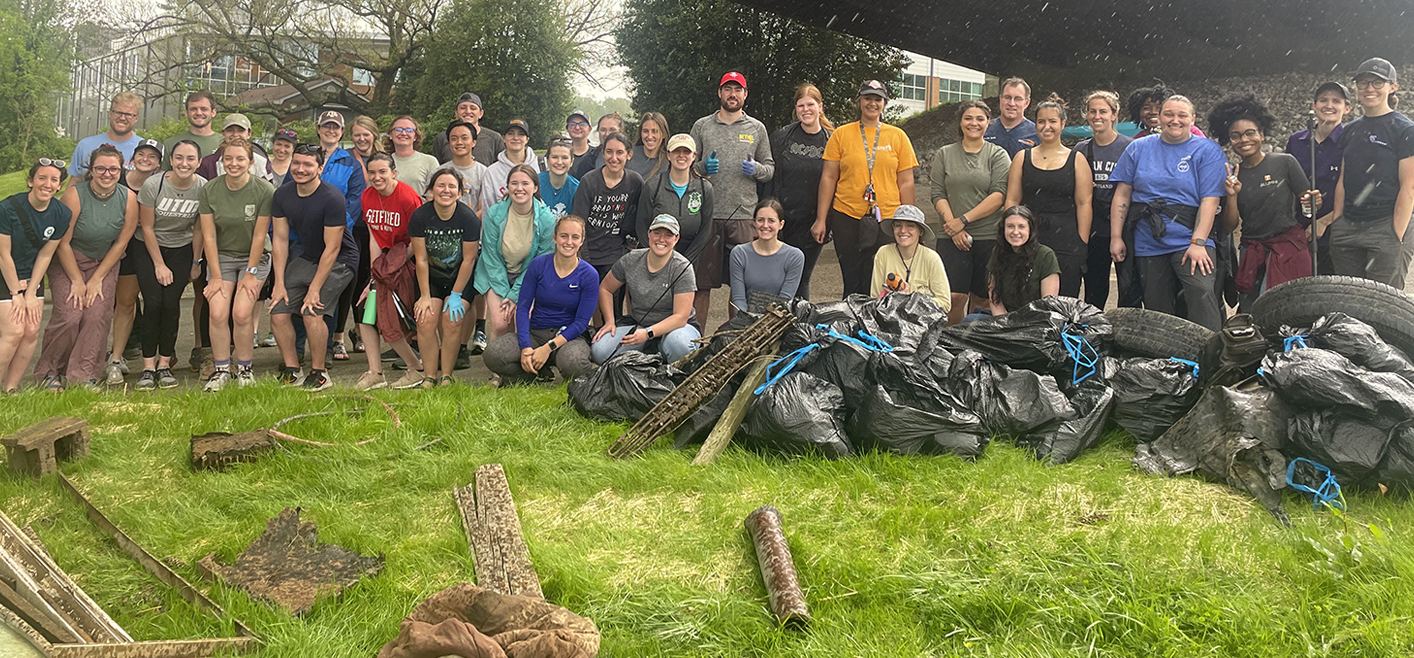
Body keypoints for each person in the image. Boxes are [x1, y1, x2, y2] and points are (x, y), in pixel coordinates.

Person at [1109, 95, 1226, 330]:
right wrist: (1116, 237)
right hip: (1147, 239)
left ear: (1192, 119)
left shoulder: (1207, 150)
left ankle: (1212, 355)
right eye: (1169, 114)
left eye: (1182, 115)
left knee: (1201, 292)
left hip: (1189, 237)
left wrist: (1198, 242)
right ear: (1160, 118)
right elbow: (1122, 194)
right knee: (1157, 308)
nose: (1175, 120)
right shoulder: (1138, 148)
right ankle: (1165, 362)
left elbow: (1210, 200)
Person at [35, 145, 139, 391]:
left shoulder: (129, 199)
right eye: (100, 168)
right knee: (71, 315)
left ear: (121, 170)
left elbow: (122, 241)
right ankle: (50, 372)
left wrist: (96, 279)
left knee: (96, 316)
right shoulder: (74, 195)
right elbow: (63, 241)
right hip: (69, 260)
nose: (107, 173)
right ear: (91, 170)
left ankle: (84, 375)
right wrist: (78, 281)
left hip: (103, 263)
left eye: (113, 169)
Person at [1209, 94, 1318, 309]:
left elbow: (1309, 207)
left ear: (1262, 134)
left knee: (1289, 307)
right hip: (1252, 250)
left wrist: (1314, 202)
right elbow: (1230, 226)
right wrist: (1231, 196)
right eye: (1236, 136)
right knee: (1253, 310)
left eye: (1250, 133)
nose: (1244, 140)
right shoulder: (1232, 176)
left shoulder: (1285, 162)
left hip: (1288, 248)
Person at [814, 79, 918, 296]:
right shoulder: (841, 134)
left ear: (884, 103)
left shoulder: (898, 136)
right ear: (859, 101)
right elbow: (828, 177)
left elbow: (906, 182)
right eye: (868, 98)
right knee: (852, 280)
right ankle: (851, 326)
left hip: (887, 219)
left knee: (882, 282)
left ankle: (876, 326)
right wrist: (821, 219)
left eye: (877, 99)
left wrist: (910, 222)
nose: (872, 103)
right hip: (847, 216)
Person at [268, 144, 359, 391]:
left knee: (311, 310)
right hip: (308, 257)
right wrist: (278, 283)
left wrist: (315, 289)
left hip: (341, 259)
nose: (300, 169)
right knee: (277, 309)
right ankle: (293, 370)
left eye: (308, 164)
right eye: (296, 163)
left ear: (320, 168)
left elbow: (332, 248)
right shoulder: (282, 195)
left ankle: (320, 373)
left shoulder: (332, 198)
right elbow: (280, 239)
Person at [691, 71, 775, 314]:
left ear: (745, 95)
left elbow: (770, 169)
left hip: (744, 215)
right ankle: (697, 341)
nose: (732, 94)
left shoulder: (757, 128)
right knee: (700, 285)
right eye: (727, 89)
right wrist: (702, 168)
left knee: (741, 285)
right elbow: (686, 166)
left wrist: (756, 169)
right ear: (719, 93)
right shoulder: (702, 126)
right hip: (707, 215)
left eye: (738, 89)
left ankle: (733, 342)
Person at [482, 214, 599, 385]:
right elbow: (522, 308)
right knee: (493, 354)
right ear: (555, 238)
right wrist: (525, 347)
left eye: (575, 237)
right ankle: (531, 373)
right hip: (536, 332)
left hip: (569, 337)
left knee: (575, 365)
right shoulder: (539, 265)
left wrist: (548, 348)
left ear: (581, 241)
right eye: (564, 236)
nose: (569, 242)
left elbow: (581, 322)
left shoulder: (589, 275)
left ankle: (552, 367)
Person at [1329, 57, 1414, 288]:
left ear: (1392, 87)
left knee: (1384, 303)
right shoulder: (1351, 129)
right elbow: (1344, 179)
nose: (1369, 89)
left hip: (1385, 225)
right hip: (1348, 226)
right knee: (1349, 299)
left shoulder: (1404, 129)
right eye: (1364, 82)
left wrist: (1397, 234)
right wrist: (1338, 220)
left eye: (1377, 83)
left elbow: (1409, 186)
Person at [197, 138, 275, 391]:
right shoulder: (210, 190)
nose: (234, 163)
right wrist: (216, 277)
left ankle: (245, 369)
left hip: (255, 257)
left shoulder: (264, 190)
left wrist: (251, 274)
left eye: (240, 159)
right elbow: (208, 236)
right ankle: (221, 370)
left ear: (250, 163)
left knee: (241, 313)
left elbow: (259, 236)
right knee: (218, 312)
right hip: (222, 257)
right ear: (222, 162)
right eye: (228, 159)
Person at [131, 140, 206, 390]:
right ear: (171, 160)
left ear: (199, 162)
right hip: (149, 247)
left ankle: (165, 364)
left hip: (182, 249)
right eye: (179, 158)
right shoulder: (155, 185)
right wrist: (159, 265)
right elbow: (148, 227)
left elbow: (198, 228)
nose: (184, 163)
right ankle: (148, 367)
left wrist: (196, 262)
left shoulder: (202, 188)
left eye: (190, 158)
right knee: (152, 303)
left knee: (171, 304)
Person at [1005, 94, 1093, 297]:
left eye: (1052, 121)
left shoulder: (1076, 159)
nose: (1047, 126)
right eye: (1041, 121)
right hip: (1028, 237)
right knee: (1025, 295)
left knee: (1063, 299)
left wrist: (1082, 243)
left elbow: (1084, 203)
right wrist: (1012, 235)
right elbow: (1012, 200)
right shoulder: (1022, 157)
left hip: (1066, 239)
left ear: (1062, 124)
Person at [931, 100, 1010, 324]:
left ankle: (973, 345)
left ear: (988, 123)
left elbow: (998, 195)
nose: (973, 123)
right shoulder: (944, 154)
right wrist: (953, 227)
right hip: (950, 236)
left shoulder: (998, 155)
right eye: (968, 118)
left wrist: (963, 220)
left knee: (983, 299)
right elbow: (938, 193)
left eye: (979, 119)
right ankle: (951, 344)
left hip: (988, 236)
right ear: (960, 122)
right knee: (953, 297)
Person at [355, 153, 425, 390]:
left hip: (406, 258)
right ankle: (376, 372)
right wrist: (375, 275)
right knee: (365, 314)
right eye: (372, 172)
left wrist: (392, 268)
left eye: (382, 172)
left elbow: (418, 240)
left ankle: (415, 368)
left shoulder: (407, 198)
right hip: (384, 262)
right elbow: (374, 236)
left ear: (394, 172)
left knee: (388, 321)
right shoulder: (367, 196)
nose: (377, 177)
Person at [0, 159, 71, 393]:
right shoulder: (7, 208)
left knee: (31, 330)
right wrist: (16, 293)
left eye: (54, 180)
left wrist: (31, 292)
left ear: (59, 185)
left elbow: (45, 254)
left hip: (32, 276)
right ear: (31, 181)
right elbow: (3, 254)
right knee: (14, 331)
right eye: (42, 178)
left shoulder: (62, 213)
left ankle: (11, 388)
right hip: (5, 272)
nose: (47, 184)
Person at [591, 215, 700, 364]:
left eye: (668, 235)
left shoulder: (682, 267)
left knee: (679, 345)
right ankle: (647, 356)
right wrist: (609, 321)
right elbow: (605, 288)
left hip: (677, 329)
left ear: (676, 239)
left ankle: (672, 374)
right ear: (649, 234)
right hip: (640, 326)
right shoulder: (630, 259)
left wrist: (648, 333)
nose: (661, 239)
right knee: (600, 352)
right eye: (657, 233)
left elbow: (681, 317)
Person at [409, 168, 481, 387]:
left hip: (460, 277)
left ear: (460, 192)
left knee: (451, 319)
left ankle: (447, 375)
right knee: (425, 320)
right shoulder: (420, 216)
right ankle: (430, 375)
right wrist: (424, 295)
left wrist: (456, 294)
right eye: (440, 185)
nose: (446, 191)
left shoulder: (468, 218)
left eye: (452, 187)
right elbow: (420, 259)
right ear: (431, 190)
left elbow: (469, 260)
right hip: (430, 277)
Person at [104, 137, 164, 385]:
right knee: (123, 303)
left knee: (156, 302)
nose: (145, 160)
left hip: (148, 248)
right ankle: (115, 358)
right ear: (133, 158)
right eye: (141, 154)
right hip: (118, 248)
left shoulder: (161, 185)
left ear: (159, 164)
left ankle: (161, 359)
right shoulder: (117, 180)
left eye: (152, 156)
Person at [475, 165, 555, 348]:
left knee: (523, 320)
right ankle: (497, 371)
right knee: (500, 322)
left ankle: (520, 367)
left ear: (535, 188)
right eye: (514, 183)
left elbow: (538, 263)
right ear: (508, 187)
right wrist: (506, 295)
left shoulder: (546, 219)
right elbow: (490, 256)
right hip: (496, 273)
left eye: (525, 183)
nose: (519, 188)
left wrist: (514, 294)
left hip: (528, 276)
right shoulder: (495, 214)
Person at [766, 84, 834, 300]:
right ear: (796, 108)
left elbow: (836, 183)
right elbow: (770, 177)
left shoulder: (832, 140)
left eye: (810, 105)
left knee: (801, 277)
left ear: (820, 107)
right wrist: (769, 217)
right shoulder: (781, 137)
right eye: (801, 105)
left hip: (813, 223)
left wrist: (824, 221)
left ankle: (800, 326)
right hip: (782, 221)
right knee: (777, 277)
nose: (806, 110)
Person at [636, 133, 714, 319]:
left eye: (686, 152)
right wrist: (659, 258)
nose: (681, 156)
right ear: (668, 155)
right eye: (676, 151)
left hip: (691, 256)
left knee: (685, 308)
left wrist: (684, 264)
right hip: (657, 255)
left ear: (694, 156)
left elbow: (705, 230)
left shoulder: (704, 188)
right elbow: (641, 227)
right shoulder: (653, 186)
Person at [1074, 90, 1137, 309]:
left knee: (1129, 291)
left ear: (1114, 114)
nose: (1097, 116)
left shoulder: (1130, 147)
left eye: (1103, 111)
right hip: (1094, 229)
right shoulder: (1081, 150)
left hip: (1126, 227)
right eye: (1093, 111)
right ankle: (1095, 335)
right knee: (1094, 291)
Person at [572, 131, 643, 314]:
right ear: (603, 153)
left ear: (629, 154)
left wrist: (631, 244)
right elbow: (578, 224)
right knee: (582, 308)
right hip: (588, 252)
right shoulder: (589, 181)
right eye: (609, 152)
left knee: (613, 312)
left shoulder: (635, 182)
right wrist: (584, 261)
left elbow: (638, 218)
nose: (614, 158)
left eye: (619, 152)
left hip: (615, 255)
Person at [315, 110, 367, 362]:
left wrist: (333, 230)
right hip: (306, 235)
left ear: (341, 131)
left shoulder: (350, 163)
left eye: (335, 127)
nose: (331, 130)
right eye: (326, 126)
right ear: (318, 129)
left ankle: (333, 341)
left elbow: (354, 202)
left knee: (336, 289)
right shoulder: (307, 156)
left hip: (340, 235)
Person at [1285, 81, 1352, 275]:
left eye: (1336, 101)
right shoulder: (1295, 141)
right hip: (1300, 232)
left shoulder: (1352, 140)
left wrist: (1323, 222)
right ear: (1314, 106)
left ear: (1347, 108)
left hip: (1338, 232)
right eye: (1323, 100)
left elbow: (1358, 190)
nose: (1329, 105)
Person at [985, 205, 1061, 318]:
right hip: (1004, 320)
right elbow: (994, 297)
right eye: (1010, 226)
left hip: (1036, 321)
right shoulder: (998, 252)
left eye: (1021, 227)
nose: (1015, 232)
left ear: (1030, 230)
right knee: (968, 323)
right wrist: (1003, 323)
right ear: (1003, 229)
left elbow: (1047, 304)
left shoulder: (1045, 255)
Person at [870, 204, 950, 309]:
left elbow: (945, 303)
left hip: (922, 322)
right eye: (898, 225)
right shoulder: (883, 253)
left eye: (910, 226)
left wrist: (911, 300)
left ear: (920, 231)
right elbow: (875, 298)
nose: (903, 230)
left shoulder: (932, 258)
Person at [730, 199, 804, 311]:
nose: (765, 225)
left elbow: (785, 300)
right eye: (760, 220)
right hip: (746, 320)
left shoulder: (794, 256)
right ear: (754, 223)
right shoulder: (739, 253)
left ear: (781, 224)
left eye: (771, 221)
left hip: (778, 320)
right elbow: (739, 299)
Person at [70, 91, 144, 178]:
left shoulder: (144, 149)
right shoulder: (85, 146)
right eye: (118, 112)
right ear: (110, 114)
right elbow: (74, 184)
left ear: (136, 118)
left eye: (128, 114)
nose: (122, 118)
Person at [432, 92, 504, 166]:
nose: (468, 111)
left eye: (473, 108)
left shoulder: (494, 139)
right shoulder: (442, 138)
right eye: (463, 108)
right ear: (456, 113)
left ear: (481, 114)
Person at [481, 119, 540, 207]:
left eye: (521, 134)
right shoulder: (492, 172)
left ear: (527, 139)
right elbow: (488, 207)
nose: (515, 138)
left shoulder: (539, 165)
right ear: (504, 138)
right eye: (511, 133)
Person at [196, 114, 273, 182]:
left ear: (249, 133)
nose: (235, 135)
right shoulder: (208, 163)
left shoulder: (261, 161)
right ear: (223, 133)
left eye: (240, 130)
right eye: (230, 130)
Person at [162, 91, 223, 170]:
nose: (199, 113)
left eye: (204, 109)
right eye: (193, 109)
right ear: (186, 113)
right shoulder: (170, 144)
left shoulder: (224, 143)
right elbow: (163, 178)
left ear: (213, 112)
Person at [984, 78, 1038, 158]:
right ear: (1000, 99)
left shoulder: (1036, 133)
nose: (1012, 103)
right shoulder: (985, 129)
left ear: (1027, 103)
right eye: (1007, 97)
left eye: (1018, 99)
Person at [1128, 84, 1206, 138]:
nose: (1153, 112)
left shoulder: (1191, 132)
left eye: (1159, 108)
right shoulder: (1136, 142)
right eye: (1146, 108)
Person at [387, 116, 439, 196]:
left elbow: (435, 193)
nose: (403, 133)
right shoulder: (383, 162)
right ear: (390, 135)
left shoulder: (429, 161)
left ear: (415, 137)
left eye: (409, 130)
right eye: (398, 129)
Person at [443, 120, 487, 214]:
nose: (459, 142)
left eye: (464, 138)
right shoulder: (439, 172)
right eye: (454, 139)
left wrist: (469, 223)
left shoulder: (484, 172)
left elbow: (483, 208)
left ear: (474, 142)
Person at [570, 112, 626, 180]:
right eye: (603, 130)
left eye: (612, 130)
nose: (607, 134)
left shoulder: (632, 157)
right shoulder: (589, 159)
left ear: (621, 131)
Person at [538, 137, 579, 219]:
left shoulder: (577, 188)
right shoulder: (535, 182)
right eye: (554, 157)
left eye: (564, 158)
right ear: (547, 160)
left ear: (571, 162)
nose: (559, 162)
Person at [627, 112, 669, 179]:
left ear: (663, 134)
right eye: (645, 131)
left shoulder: (669, 160)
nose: (649, 136)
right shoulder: (628, 155)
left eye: (654, 131)